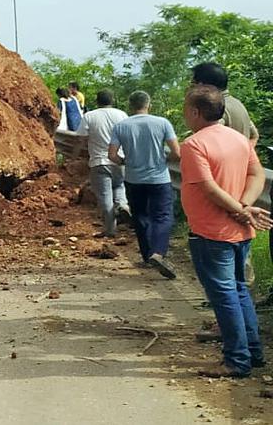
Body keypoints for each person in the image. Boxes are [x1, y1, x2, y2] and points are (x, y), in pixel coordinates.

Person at [179, 85, 271, 377]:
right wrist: (244, 205)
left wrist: (240, 209)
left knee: (224, 296)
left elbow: (208, 188)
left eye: (185, 109)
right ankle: (253, 354)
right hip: (239, 231)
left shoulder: (194, 145)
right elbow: (256, 174)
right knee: (240, 291)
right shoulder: (239, 139)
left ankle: (237, 361)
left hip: (211, 231)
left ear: (195, 112)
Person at [109, 90, 180, 278]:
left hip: (133, 179)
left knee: (140, 216)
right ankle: (158, 252)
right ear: (149, 104)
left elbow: (112, 155)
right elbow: (177, 152)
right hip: (159, 178)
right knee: (163, 216)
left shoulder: (121, 126)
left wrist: (124, 162)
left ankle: (148, 256)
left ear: (130, 106)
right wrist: (165, 159)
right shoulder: (162, 123)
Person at [77, 90, 129, 237]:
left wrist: (78, 153)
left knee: (105, 197)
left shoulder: (89, 116)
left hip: (99, 161)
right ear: (112, 100)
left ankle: (110, 230)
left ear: (97, 101)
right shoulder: (122, 115)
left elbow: (80, 138)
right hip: (119, 160)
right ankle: (123, 205)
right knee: (119, 186)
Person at [191, 62, 259, 146]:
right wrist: (247, 152)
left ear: (202, 85)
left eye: (193, 83)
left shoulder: (215, 107)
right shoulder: (238, 104)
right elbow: (254, 135)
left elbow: (207, 141)